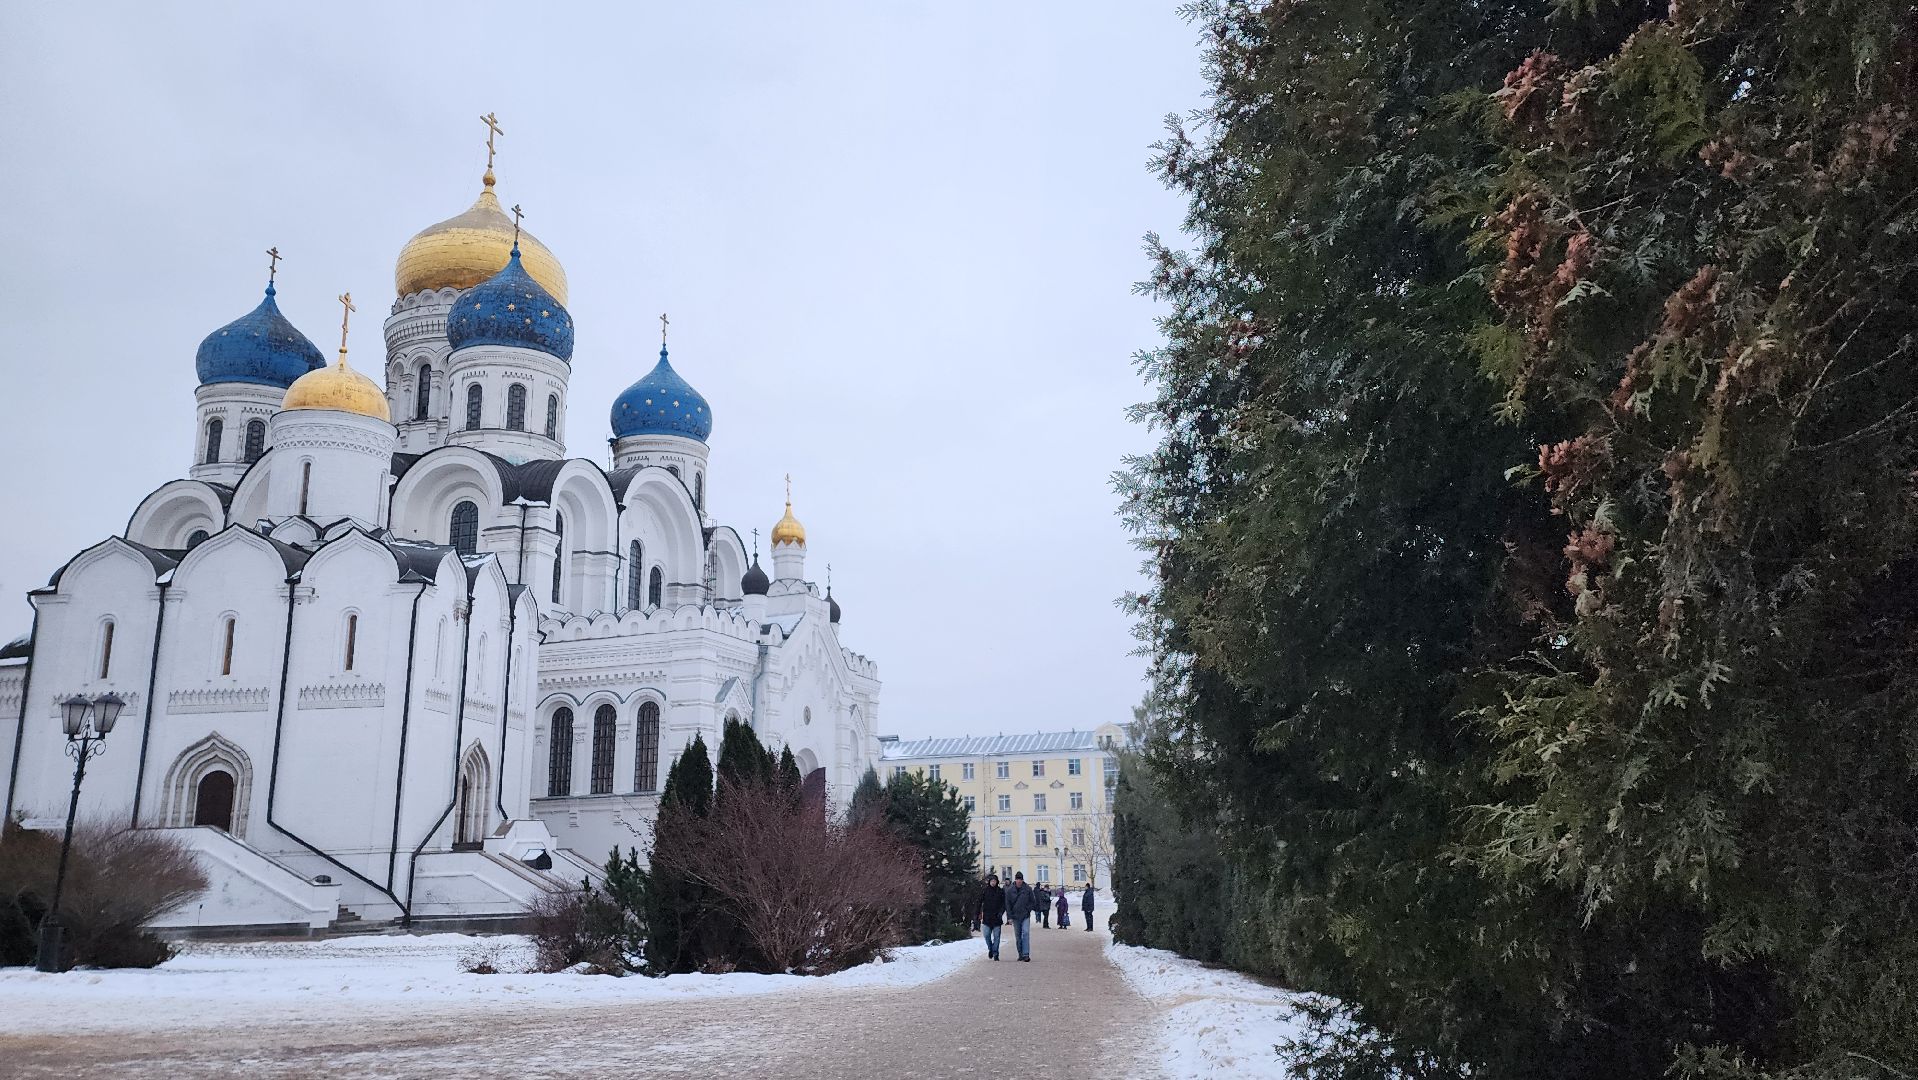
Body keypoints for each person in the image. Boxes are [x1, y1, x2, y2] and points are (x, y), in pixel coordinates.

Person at [1004, 872, 1035, 961]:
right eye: (1017, 879)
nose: (1019, 881)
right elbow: (1008, 905)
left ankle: (1026, 954)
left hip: (1025, 915)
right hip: (1015, 916)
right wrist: (1009, 917)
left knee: (1025, 933)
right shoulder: (1010, 890)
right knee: (1018, 936)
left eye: (1020, 879)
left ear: (1022, 880)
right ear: (1015, 880)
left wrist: (1027, 909)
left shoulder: (1028, 889)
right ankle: (1020, 953)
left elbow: (1032, 901)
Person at [976, 874, 1006, 960]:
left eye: (994, 881)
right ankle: (991, 949)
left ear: (997, 882)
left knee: (997, 937)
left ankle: (996, 953)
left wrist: (1001, 912)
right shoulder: (985, 891)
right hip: (987, 918)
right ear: (989, 882)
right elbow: (979, 902)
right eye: (991, 881)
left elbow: (1003, 904)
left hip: (997, 918)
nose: (993, 883)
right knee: (986, 935)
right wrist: (977, 913)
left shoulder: (1000, 891)